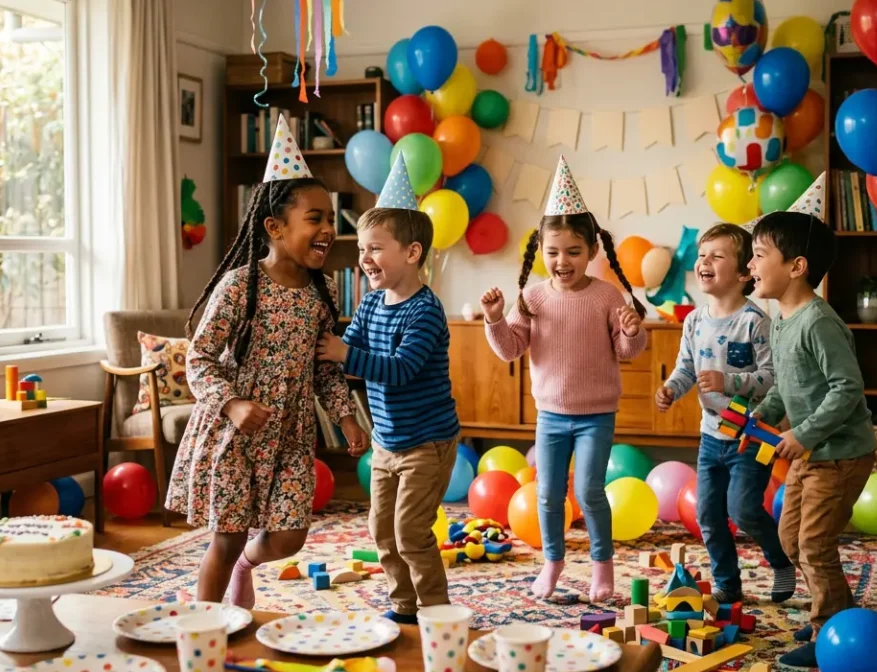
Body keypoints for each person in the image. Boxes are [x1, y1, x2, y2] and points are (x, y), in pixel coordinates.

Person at [165, 115, 369, 609]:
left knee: (290, 537)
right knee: (227, 537)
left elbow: (323, 367)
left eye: (329, 217)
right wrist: (232, 403)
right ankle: (208, 625)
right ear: (274, 227)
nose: (327, 228)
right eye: (314, 218)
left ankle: (247, 567)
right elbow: (200, 357)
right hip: (237, 435)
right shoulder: (240, 286)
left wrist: (345, 415)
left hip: (292, 436)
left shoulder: (319, 298)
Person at [481, 156, 647, 603]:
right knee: (550, 496)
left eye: (573, 251)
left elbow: (627, 352)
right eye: (553, 252)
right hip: (550, 416)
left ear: (592, 251)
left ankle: (602, 568)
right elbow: (510, 348)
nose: (562, 261)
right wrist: (495, 320)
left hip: (596, 416)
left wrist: (633, 332)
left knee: (591, 492)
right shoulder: (531, 297)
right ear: (540, 251)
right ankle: (552, 564)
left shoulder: (606, 296)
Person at [316, 155, 460, 624]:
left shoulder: (425, 311)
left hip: (427, 443)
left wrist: (342, 355)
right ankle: (402, 603)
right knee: (381, 529)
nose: (364, 259)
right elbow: (349, 345)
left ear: (412, 253)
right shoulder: (373, 302)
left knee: (410, 530)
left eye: (375, 248)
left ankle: (437, 611)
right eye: (361, 248)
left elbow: (399, 370)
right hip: (387, 443)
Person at [745, 176, 877, 668]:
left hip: (840, 454)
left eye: (760, 255)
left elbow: (847, 389)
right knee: (789, 536)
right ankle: (837, 608)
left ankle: (829, 633)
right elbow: (786, 385)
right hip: (811, 451)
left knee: (815, 543)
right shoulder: (780, 318)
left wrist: (802, 433)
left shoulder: (819, 322)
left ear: (796, 267)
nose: (751, 264)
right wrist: (765, 415)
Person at [656, 223, 794, 605]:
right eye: (702, 255)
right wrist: (671, 389)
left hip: (751, 436)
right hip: (710, 437)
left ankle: (781, 561)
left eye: (717, 256)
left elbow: (771, 379)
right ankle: (728, 585)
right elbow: (686, 369)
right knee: (708, 516)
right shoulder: (694, 322)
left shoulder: (755, 322)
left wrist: (727, 381)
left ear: (744, 272)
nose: (704, 262)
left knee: (745, 509)